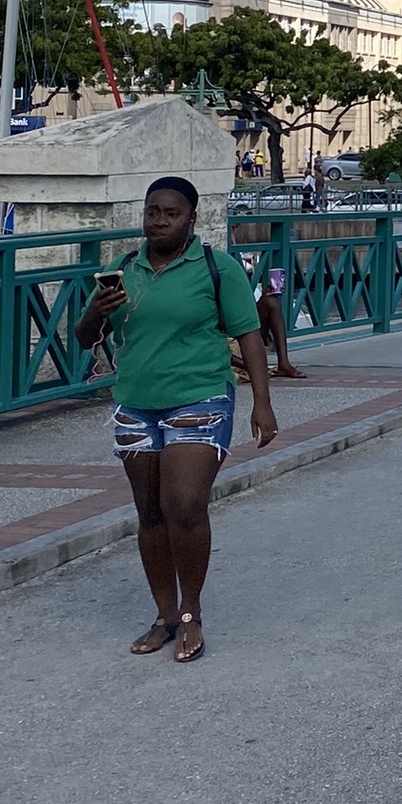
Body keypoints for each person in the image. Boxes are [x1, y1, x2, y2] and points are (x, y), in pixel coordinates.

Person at [74, 176, 278, 664]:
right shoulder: (121, 270)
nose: (158, 220)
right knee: (150, 513)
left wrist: (263, 403)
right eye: (152, 212)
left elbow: (249, 334)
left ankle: (191, 613)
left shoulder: (216, 267)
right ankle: (164, 616)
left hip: (199, 397)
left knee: (184, 505)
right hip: (136, 402)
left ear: (191, 218)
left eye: (170, 212)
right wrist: (96, 313)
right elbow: (84, 339)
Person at [255, 266, 305, 378]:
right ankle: (251, 364)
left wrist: (263, 299)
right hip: (229, 344)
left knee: (271, 302)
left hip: (246, 336)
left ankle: (284, 363)